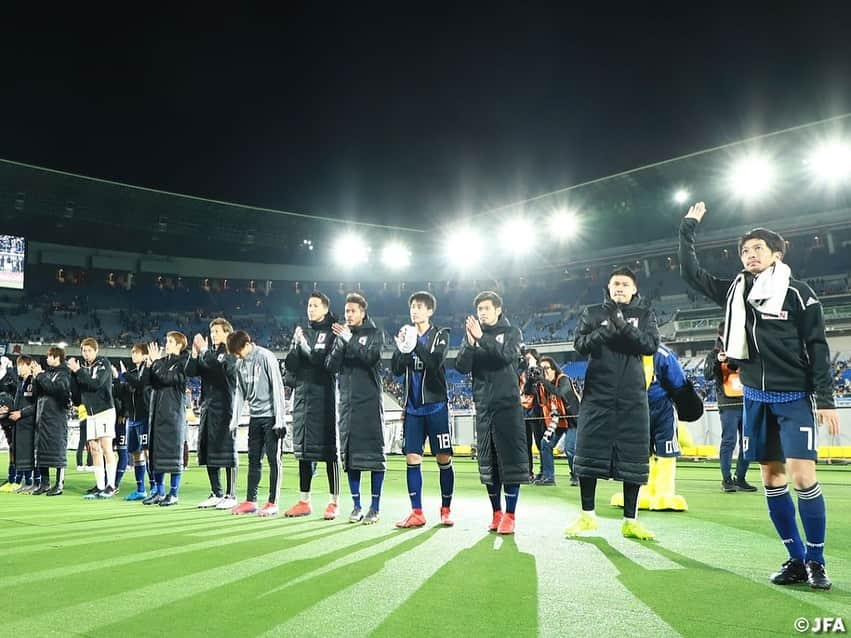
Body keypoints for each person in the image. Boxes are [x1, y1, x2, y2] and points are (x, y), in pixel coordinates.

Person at [680, 202, 839, 590]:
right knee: (771, 478)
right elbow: (691, 272)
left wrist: (826, 398)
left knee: (803, 478)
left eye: (757, 249)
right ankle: (796, 559)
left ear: (776, 255)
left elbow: (818, 346)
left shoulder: (798, 294)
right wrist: (688, 228)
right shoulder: (735, 292)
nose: (750, 256)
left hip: (794, 397)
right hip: (754, 397)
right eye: (744, 251)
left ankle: (817, 561)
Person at [564, 266, 660, 541]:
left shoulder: (644, 315)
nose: (619, 288)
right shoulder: (594, 313)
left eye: (625, 284)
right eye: (615, 283)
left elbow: (650, 345)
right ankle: (587, 516)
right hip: (598, 394)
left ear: (634, 289)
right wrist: (606, 331)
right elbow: (579, 345)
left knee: (634, 458)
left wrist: (624, 328)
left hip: (632, 396)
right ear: (608, 288)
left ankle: (631, 520)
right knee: (588, 453)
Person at [455, 290, 529, 535]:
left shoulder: (511, 333)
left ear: (498, 310)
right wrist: (470, 344)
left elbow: (506, 357)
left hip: (507, 406)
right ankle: (496, 512)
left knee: (511, 461)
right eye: (479, 310)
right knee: (489, 463)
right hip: (484, 407)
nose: (482, 313)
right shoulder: (474, 336)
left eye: (487, 309)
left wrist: (482, 340)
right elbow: (462, 367)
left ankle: (511, 514)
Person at [391, 290, 455, 528]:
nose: (415, 310)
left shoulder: (441, 334)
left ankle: (446, 509)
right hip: (413, 409)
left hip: (436, 406)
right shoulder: (406, 334)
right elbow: (396, 369)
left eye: (419, 306)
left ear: (430, 311)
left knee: (443, 458)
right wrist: (403, 349)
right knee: (412, 458)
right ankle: (417, 512)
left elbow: (435, 363)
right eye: (412, 307)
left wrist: (415, 345)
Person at [326, 293, 386, 525]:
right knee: (351, 458)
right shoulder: (342, 336)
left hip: (369, 403)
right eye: (346, 311)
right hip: (348, 405)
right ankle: (357, 506)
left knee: (373, 457)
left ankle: (376, 507)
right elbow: (330, 366)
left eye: (353, 311)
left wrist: (349, 338)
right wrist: (341, 343)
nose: (348, 315)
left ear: (362, 312)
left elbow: (370, 358)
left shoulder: (374, 334)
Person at [283, 293, 341, 520]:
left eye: (315, 305)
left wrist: (305, 346)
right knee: (304, 451)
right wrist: (295, 344)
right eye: (308, 305)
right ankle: (304, 500)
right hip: (302, 397)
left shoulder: (331, 332)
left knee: (328, 451)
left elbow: (322, 362)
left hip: (323, 396)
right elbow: (290, 365)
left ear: (325, 309)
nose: (311, 309)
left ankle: (333, 501)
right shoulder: (303, 332)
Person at [228, 330, 287, 517]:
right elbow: (239, 394)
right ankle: (251, 501)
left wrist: (280, 420)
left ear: (247, 345)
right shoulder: (240, 364)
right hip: (255, 417)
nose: (238, 356)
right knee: (253, 459)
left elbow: (278, 387)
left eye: (239, 352)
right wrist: (234, 421)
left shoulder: (266, 357)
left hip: (271, 418)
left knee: (273, 460)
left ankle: (273, 502)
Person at [186, 318, 240, 510]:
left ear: (227, 333)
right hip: (208, 407)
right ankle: (216, 492)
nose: (214, 335)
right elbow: (190, 371)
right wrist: (194, 355)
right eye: (212, 331)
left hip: (226, 407)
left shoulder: (231, 352)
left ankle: (231, 494)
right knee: (209, 449)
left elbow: (223, 368)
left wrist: (203, 352)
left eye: (217, 331)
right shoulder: (210, 353)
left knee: (226, 449)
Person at [703, 322, 756, 493]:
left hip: (747, 401)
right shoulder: (713, 354)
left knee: (747, 442)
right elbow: (707, 376)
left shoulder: (745, 351)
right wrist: (718, 362)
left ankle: (740, 478)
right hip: (728, 403)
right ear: (720, 336)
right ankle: (726, 479)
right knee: (729, 441)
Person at [143, 332, 190, 507]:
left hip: (173, 414)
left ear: (179, 345)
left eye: (170, 341)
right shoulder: (162, 362)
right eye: (167, 341)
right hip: (158, 413)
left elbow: (167, 378)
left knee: (173, 455)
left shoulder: (183, 363)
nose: (167, 344)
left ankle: (174, 493)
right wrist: (149, 366)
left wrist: (155, 363)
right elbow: (149, 383)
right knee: (157, 455)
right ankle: (159, 492)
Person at [68, 338, 116, 499]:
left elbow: (96, 384)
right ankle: (100, 485)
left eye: (89, 350)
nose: (86, 354)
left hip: (104, 411)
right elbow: (76, 394)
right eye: (84, 351)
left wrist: (78, 372)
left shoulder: (103, 364)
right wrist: (73, 375)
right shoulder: (82, 368)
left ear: (96, 351)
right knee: (94, 449)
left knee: (106, 447)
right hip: (90, 413)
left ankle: (111, 485)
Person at [535, 356, 581, 486]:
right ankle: (548, 477)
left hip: (573, 420)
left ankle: (576, 475)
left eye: (546, 368)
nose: (544, 372)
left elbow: (561, 393)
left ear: (554, 369)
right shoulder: (544, 386)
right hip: (558, 422)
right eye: (541, 369)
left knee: (570, 449)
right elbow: (533, 396)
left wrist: (543, 381)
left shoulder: (563, 379)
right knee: (545, 443)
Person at [31, 348, 72, 496]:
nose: (47, 358)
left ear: (57, 358)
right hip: (43, 417)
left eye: (50, 356)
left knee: (58, 450)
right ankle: (44, 483)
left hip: (57, 418)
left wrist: (41, 376)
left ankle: (59, 484)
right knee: (41, 451)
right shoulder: (47, 373)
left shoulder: (65, 373)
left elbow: (56, 389)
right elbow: (36, 394)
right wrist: (35, 378)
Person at [9, 355, 37, 492]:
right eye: (17, 365)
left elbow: (36, 404)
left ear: (28, 366)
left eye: (21, 365)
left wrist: (21, 413)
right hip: (20, 424)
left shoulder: (33, 382)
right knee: (21, 453)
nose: (18, 368)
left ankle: (33, 482)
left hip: (29, 423)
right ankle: (25, 482)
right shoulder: (22, 382)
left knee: (29, 454)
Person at [0, 355, 19, 491]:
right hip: (3, 418)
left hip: (13, 417)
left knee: (15, 447)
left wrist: (11, 370)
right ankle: (12, 478)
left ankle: (15, 478)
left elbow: (19, 388)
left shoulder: (10, 377)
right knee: (12, 446)